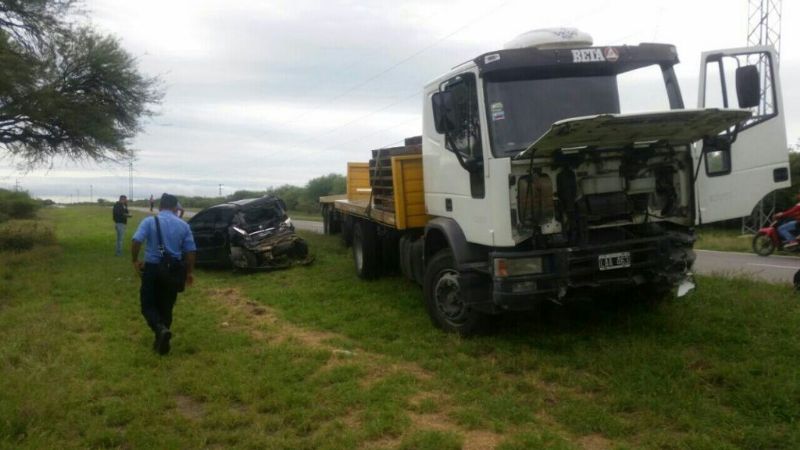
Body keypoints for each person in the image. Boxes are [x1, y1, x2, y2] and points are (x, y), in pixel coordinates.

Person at [131, 193, 197, 355]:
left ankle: (159, 330)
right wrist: (189, 272)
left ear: (160, 206)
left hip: (152, 268)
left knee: (147, 304)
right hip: (173, 271)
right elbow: (191, 251)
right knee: (166, 306)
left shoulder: (149, 221)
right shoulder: (183, 226)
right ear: (176, 207)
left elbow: (136, 240)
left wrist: (135, 260)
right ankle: (161, 339)